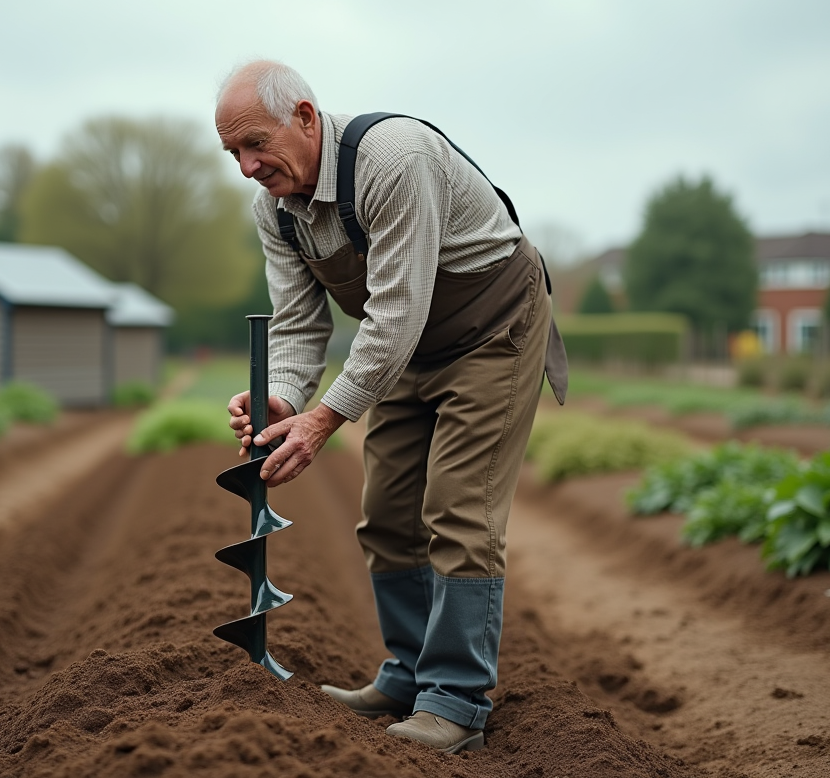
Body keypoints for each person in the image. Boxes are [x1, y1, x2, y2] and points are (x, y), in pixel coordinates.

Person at [216, 60, 567, 754]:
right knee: (388, 516)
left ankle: (457, 699)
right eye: (233, 153)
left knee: (459, 509)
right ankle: (410, 673)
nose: (248, 166)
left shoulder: (392, 161)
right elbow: (297, 324)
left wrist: (325, 419)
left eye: (256, 143)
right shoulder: (277, 211)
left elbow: (397, 309)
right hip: (407, 347)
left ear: (307, 119)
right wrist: (283, 397)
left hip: (490, 331)